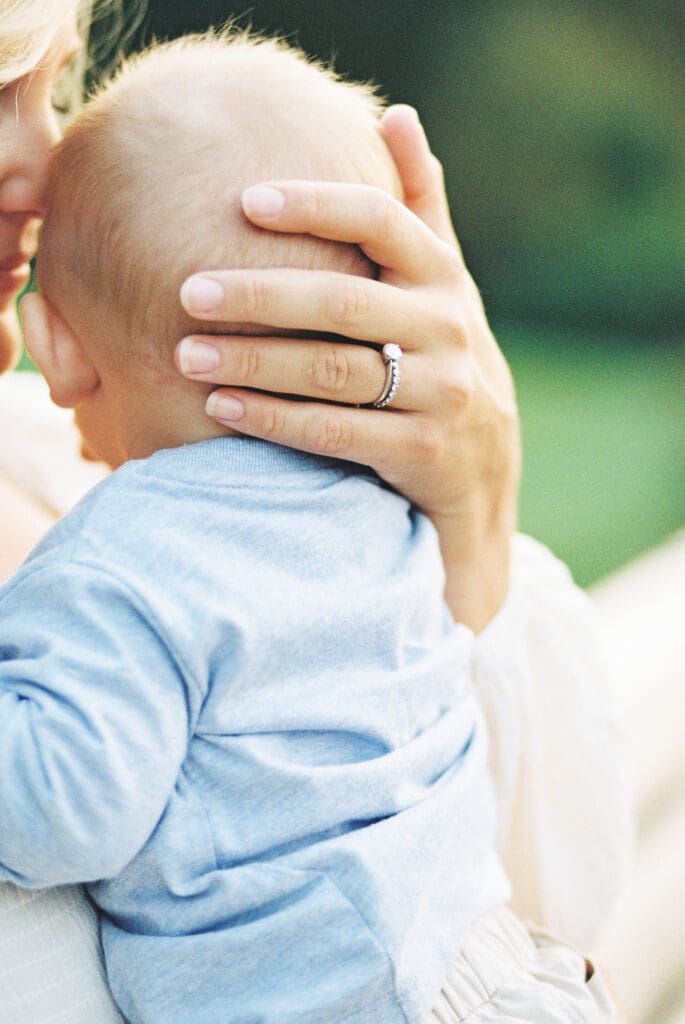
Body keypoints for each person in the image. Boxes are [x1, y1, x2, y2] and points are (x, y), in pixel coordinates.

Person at [0, 2, 629, 1023]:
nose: (42, 157)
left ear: (60, 348)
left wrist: (477, 493)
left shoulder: (108, 552)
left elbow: (66, 805)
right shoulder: (365, 515)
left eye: (54, 80)